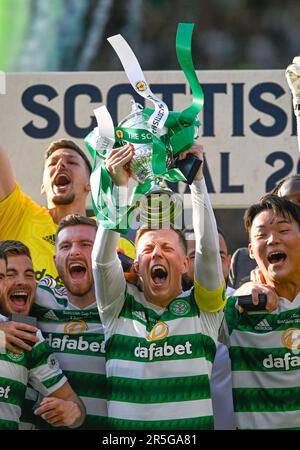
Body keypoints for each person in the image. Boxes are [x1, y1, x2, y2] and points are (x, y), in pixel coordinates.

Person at [92, 143, 225, 429]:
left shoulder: (205, 310)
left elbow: (208, 251)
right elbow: (102, 262)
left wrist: (197, 182)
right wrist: (120, 189)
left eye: (167, 247)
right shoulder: (117, 307)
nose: (156, 253)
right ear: (136, 266)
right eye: (148, 248)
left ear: (185, 264)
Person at [221, 194, 300, 429]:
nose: (272, 240)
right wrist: (241, 292)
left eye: (283, 230)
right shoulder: (237, 310)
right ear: (251, 252)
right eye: (261, 235)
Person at [0, 242, 86, 430]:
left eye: (29, 275)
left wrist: (72, 412)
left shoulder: (27, 336)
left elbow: (74, 405)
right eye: (10, 274)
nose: (22, 281)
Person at [32, 215, 107, 429]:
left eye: (86, 244)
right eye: (65, 246)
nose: (74, 251)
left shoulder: (127, 304)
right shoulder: (38, 299)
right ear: (56, 259)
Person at [0, 139, 92, 282]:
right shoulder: (18, 215)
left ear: (90, 184)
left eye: (72, 162)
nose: (61, 165)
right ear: (43, 186)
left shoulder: (106, 235)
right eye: (52, 163)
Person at [184, 228, 235, 430]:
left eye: (218, 254)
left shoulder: (247, 304)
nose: (208, 261)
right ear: (182, 263)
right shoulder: (163, 312)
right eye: (196, 255)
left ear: (229, 261)